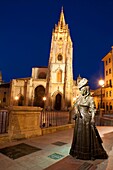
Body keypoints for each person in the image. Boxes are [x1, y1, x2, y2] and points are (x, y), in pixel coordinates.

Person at [69, 78, 108, 160]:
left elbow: (93, 109)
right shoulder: (79, 98)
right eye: (80, 89)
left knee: (86, 136)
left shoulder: (90, 99)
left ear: (86, 90)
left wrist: (93, 119)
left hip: (86, 119)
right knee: (79, 135)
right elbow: (75, 105)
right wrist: (76, 112)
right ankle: (77, 151)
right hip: (79, 119)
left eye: (82, 89)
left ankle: (87, 153)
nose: (81, 91)